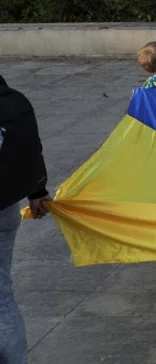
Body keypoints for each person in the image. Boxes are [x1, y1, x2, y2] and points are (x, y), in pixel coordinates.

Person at [0, 75, 52, 364]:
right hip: (5, 208)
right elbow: (31, 147)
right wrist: (38, 191)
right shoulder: (13, 100)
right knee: (2, 296)